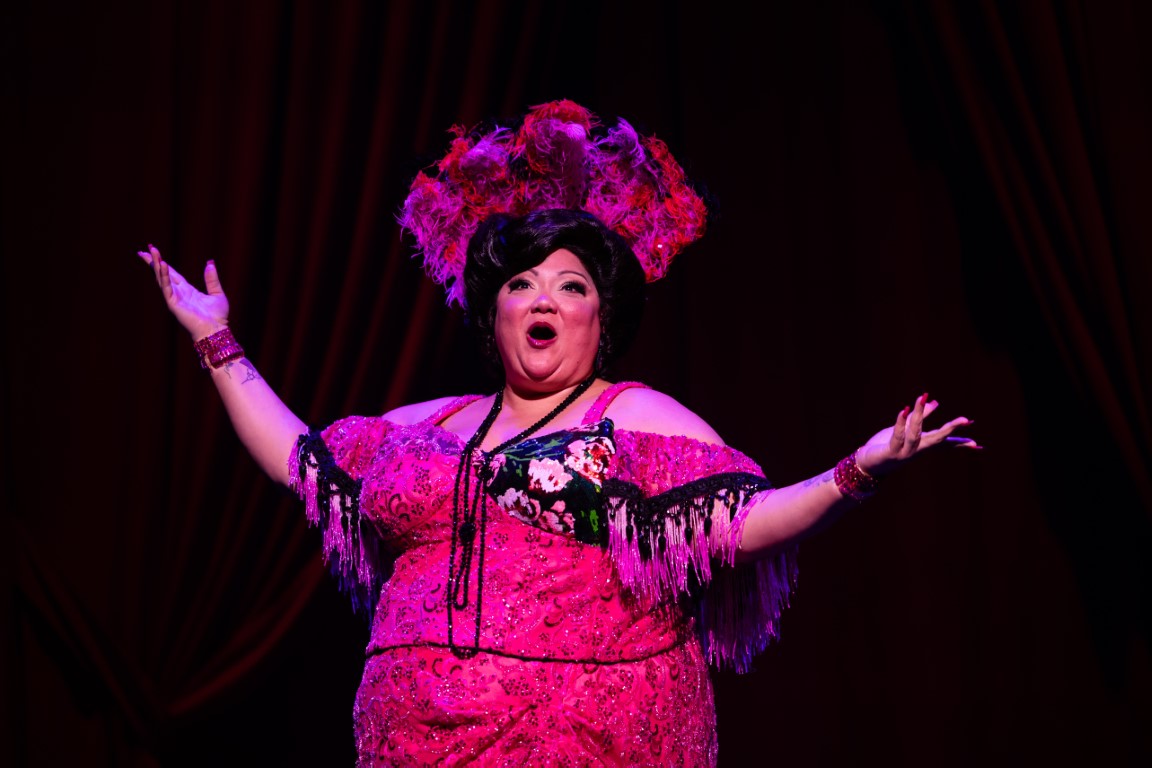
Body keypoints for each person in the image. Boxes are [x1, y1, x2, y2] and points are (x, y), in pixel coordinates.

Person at [139, 100, 979, 766]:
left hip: (590, 742)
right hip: (413, 742)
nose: (543, 297)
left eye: (570, 285)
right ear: (493, 312)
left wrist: (859, 470)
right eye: (522, 283)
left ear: (599, 317)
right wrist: (216, 341)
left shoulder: (636, 416)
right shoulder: (433, 423)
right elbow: (301, 461)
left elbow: (743, 524)